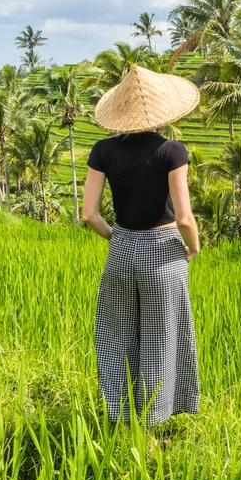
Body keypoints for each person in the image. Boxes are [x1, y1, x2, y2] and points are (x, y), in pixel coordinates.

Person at [81, 66, 201, 444]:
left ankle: (119, 418)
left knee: (117, 335)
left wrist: (114, 237)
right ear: (163, 111)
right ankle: (149, 430)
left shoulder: (103, 150)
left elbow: (89, 213)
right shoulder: (171, 150)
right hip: (164, 251)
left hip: (121, 249)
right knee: (161, 337)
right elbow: (183, 216)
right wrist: (193, 248)